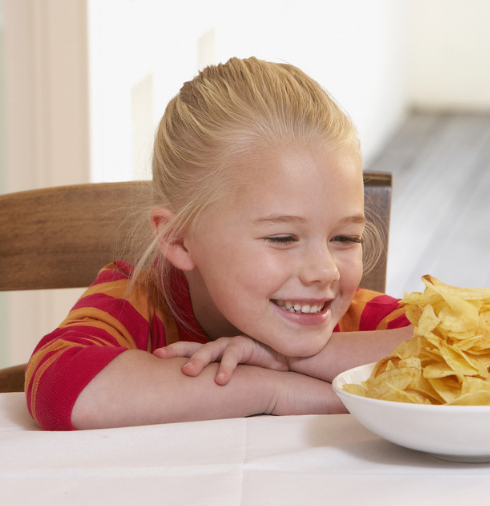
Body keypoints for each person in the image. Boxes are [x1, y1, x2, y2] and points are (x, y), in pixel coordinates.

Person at [25, 57, 413, 430]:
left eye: (345, 237)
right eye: (282, 238)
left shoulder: (357, 319)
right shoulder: (136, 304)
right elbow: (60, 387)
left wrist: (285, 360)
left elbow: (472, 351)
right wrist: (272, 389)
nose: (325, 270)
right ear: (179, 238)